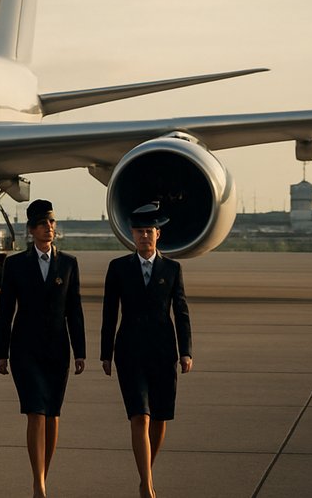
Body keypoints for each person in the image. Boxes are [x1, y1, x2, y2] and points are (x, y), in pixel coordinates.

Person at [100, 202, 193, 498]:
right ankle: (148, 486)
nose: (144, 236)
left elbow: (181, 312)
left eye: (148, 231)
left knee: (160, 417)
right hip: (129, 351)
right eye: (139, 231)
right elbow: (109, 313)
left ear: (157, 234)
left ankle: (145, 475)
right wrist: (105, 353)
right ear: (131, 234)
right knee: (140, 416)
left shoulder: (172, 269)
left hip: (163, 352)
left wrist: (186, 351)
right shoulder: (118, 268)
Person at [0, 199, 85, 498]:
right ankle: (39, 483)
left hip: (57, 349)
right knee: (35, 411)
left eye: (52, 222)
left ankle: (44, 473)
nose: (49, 227)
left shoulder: (68, 264)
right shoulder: (15, 264)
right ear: (31, 229)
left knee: (53, 414)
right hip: (25, 349)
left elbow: (75, 310)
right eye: (43, 223)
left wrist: (80, 351)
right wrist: (0, 351)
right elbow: (5, 310)